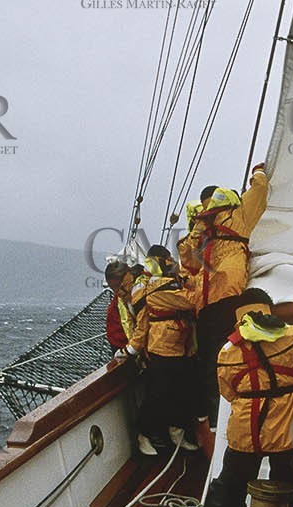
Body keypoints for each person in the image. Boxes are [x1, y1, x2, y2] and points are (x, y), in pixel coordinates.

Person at [202, 289, 293, 507]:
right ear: (269, 309)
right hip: (287, 429)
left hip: (246, 429)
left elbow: (228, 392)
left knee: (230, 483)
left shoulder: (228, 350)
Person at [192, 166, 270, 416]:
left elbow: (189, 261)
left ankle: (211, 418)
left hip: (204, 304)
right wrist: (259, 171)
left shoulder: (204, 227)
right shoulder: (240, 216)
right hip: (229, 296)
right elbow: (260, 188)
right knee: (232, 358)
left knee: (208, 365)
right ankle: (232, 413)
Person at [126, 245, 203, 455]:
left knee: (181, 393)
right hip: (161, 347)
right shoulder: (154, 287)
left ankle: (177, 433)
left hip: (183, 346)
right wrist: (132, 349)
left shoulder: (172, 281)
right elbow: (193, 300)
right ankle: (143, 434)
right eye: (168, 260)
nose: (172, 263)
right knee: (157, 395)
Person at [103, 260, 142, 354]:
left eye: (118, 287)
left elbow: (143, 325)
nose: (118, 292)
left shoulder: (142, 293)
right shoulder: (121, 301)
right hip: (123, 342)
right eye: (114, 289)